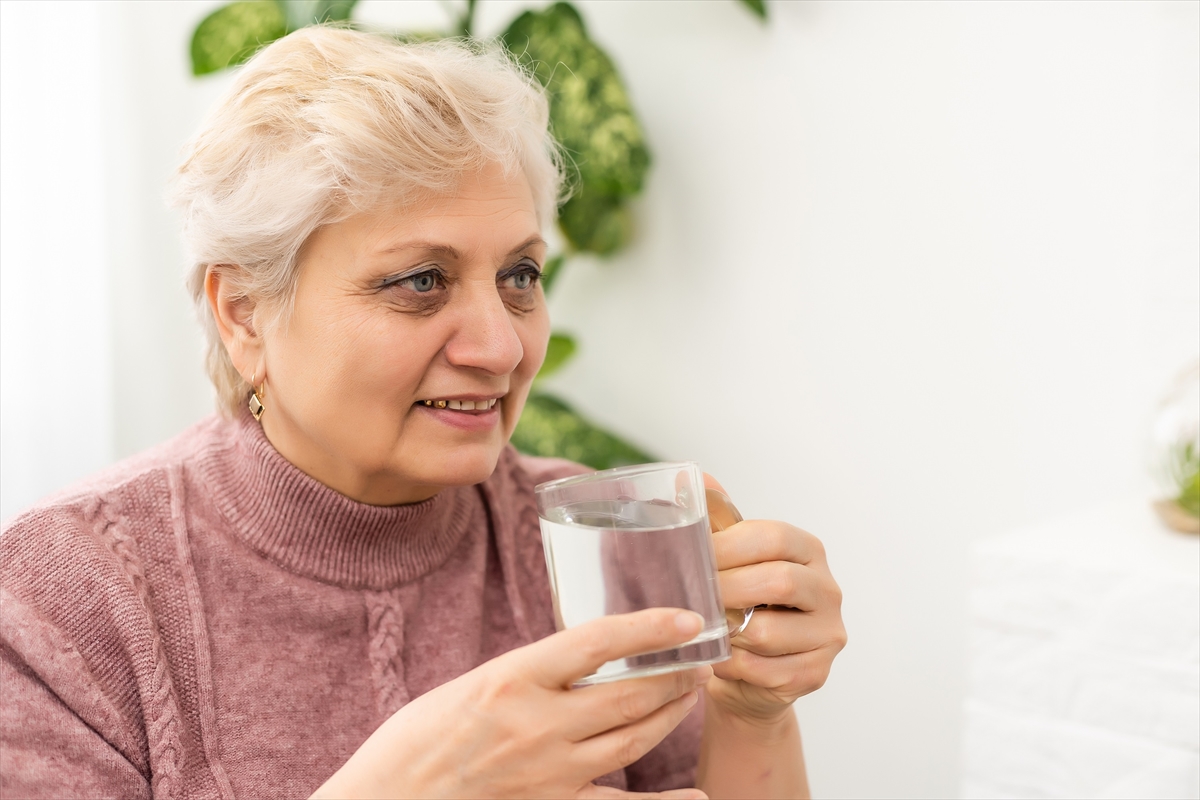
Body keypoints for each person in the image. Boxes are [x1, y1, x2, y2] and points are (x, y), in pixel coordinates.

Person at [0, 27, 846, 800]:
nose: (501, 348)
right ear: (244, 312)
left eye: (519, 276)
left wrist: (753, 709)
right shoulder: (60, 596)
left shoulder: (582, 540)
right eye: (421, 281)